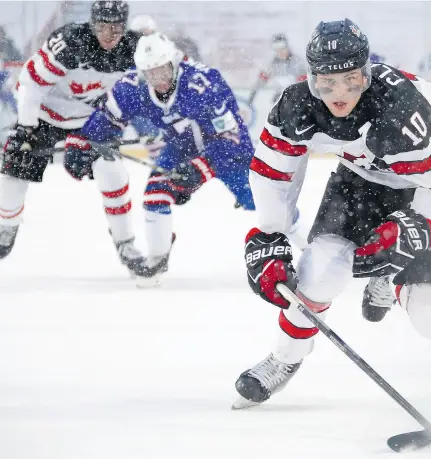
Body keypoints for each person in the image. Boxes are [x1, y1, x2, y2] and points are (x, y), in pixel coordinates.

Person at [233, 19, 431, 409]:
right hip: (365, 177)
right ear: (311, 76)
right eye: (326, 83)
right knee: (318, 272)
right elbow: (272, 170)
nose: (339, 94)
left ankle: (391, 277)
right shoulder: (297, 105)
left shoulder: (401, 113)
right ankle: (283, 359)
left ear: (366, 73)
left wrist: (417, 226)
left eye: (351, 80)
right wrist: (270, 235)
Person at [65, 33, 307, 287]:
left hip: (228, 154)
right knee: (155, 195)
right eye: (150, 73)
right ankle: (156, 261)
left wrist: (199, 169)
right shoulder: (132, 87)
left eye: (162, 70)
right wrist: (79, 144)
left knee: (266, 205)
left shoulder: (203, 82)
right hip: (181, 147)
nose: (157, 79)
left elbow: (231, 136)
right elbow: (105, 119)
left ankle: (311, 247)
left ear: (174, 63)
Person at [0, 0, 143, 275]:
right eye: (101, 27)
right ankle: (8, 224)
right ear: (91, 24)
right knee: (14, 174)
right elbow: (30, 84)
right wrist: (26, 128)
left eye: (116, 28)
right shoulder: (70, 42)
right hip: (44, 116)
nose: (109, 35)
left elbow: (151, 89)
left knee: (111, 171)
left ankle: (125, 243)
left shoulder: (134, 49)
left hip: (90, 120)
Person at [247, 33, 308, 105]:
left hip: (296, 98)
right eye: (277, 50)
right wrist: (252, 97)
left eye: (283, 49)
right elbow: (260, 82)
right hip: (278, 99)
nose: (280, 52)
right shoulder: (271, 64)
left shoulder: (298, 62)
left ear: (287, 47)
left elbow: (306, 83)